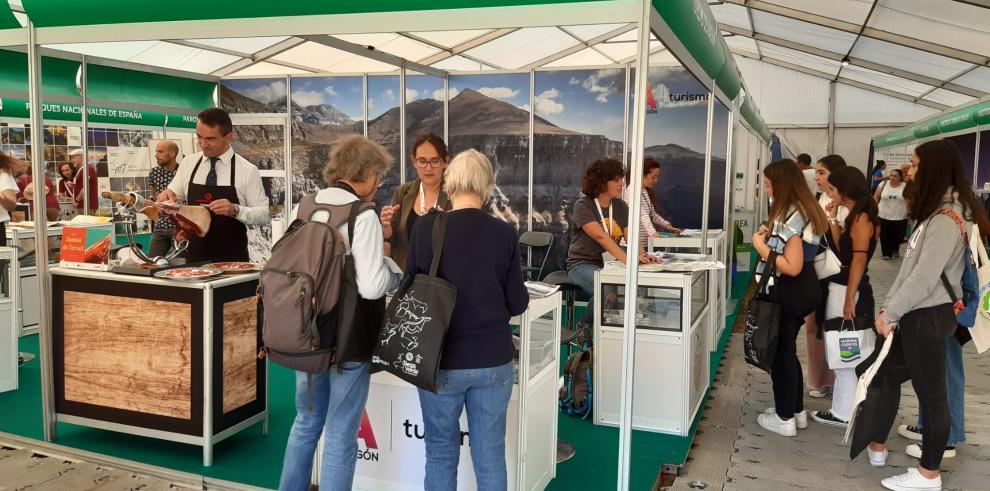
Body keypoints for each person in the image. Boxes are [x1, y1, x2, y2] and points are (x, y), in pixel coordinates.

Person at [277, 136, 402, 491]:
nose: (379, 183)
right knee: (341, 431)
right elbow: (372, 286)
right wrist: (395, 272)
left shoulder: (304, 206)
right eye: (378, 175)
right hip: (349, 338)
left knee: (306, 421)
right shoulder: (363, 216)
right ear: (366, 173)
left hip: (306, 334)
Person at [865, 139, 990, 491]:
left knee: (933, 397)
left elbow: (923, 277)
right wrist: (891, 307)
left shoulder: (947, 218)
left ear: (933, 169)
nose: (910, 171)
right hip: (918, 315)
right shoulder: (939, 211)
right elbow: (910, 269)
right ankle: (876, 445)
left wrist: (891, 312)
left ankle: (928, 473)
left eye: (917, 165)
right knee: (886, 377)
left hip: (927, 317)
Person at [406, 149, 528, 491]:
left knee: (441, 453)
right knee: (489, 454)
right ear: (486, 185)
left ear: (449, 183)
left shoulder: (425, 227)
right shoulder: (504, 234)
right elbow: (517, 303)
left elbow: (411, 291)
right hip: (493, 360)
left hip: (439, 359)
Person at [751, 159, 828, 437]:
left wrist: (759, 244)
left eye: (769, 184)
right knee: (787, 351)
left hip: (788, 290)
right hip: (805, 289)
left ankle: (784, 418)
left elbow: (791, 265)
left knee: (780, 356)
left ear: (782, 185)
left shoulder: (789, 215)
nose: (766, 189)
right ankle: (795, 411)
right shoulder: (807, 209)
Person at [811, 167, 878, 428]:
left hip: (847, 291)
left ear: (844, 191)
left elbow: (858, 260)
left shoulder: (862, 218)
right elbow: (843, 253)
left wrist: (850, 298)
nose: (829, 194)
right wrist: (833, 223)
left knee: (844, 352)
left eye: (832, 190)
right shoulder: (855, 215)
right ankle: (844, 408)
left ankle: (843, 412)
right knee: (843, 351)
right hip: (844, 288)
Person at [157, 108, 269, 262]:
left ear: (229, 137)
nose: (203, 144)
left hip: (232, 264)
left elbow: (263, 215)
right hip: (194, 260)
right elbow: (173, 194)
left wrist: (235, 210)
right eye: (199, 137)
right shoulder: (189, 163)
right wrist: (166, 196)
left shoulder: (247, 170)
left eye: (211, 139)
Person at [567, 159, 657, 344]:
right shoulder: (583, 206)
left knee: (631, 284)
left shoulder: (621, 207)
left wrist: (642, 255)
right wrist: (629, 261)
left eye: (620, 179)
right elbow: (601, 237)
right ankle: (585, 324)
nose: (621, 183)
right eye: (616, 180)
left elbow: (631, 236)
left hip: (610, 263)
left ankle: (618, 332)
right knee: (606, 288)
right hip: (582, 264)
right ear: (601, 181)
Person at [805, 154, 849, 400]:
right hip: (814, 269)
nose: (816, 176)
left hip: (835, 273)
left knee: (832, 326)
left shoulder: (843, 204)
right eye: (816, 172)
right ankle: (816, 378)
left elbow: (843, 245)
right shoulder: (819, 198)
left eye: (821, 172)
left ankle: (835, 380)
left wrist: (831, 219)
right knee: (812, 326)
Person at [380, 134, 450, 270]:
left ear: (445, 161)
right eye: (422, 161)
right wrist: (386, 228)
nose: (428, 168)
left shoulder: (454, 194)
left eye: (435, 161)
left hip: (442, 281)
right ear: (414, 161)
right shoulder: (403, 192)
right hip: (406, 278)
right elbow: (393, 242)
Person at [623, 158, 682, 250]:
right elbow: (642, 215)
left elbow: (652, 214)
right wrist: (653, 233)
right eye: (653, 177)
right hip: (632, 246)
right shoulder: (633, 191)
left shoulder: (643, 190)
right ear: (642, 175)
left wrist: (667, 226)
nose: (656, 181)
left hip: (643, 244)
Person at [147, 140, 180, 257]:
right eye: (156, 151)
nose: (156, 155)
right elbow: (154, 198)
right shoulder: (154, 172)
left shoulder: (182, 172)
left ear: (172, 154)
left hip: (179, 228)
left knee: (181, 264)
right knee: (151, 262)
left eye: (160, 152)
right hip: (160, 227)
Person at [874, 169, 908, 260]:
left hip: (900, 216)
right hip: (883, 214)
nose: (892, 177)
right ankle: (886, 253)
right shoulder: (883, 184)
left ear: (900, 177)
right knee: (884, 235)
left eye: (895, 176)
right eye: (891, 175)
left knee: (899, 237)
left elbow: (910, 200)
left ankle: (895, 248)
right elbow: (876, 197)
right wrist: (873, 208)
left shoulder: (905, 186)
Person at [70, 148, 100, 215]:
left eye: (73, 158)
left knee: (86, 224)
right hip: (85, 205)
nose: (72, 160)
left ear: (81, 157)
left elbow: (86, 188)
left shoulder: (87, 169)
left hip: (86, 206)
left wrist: (77, 200)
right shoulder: (85, 169)